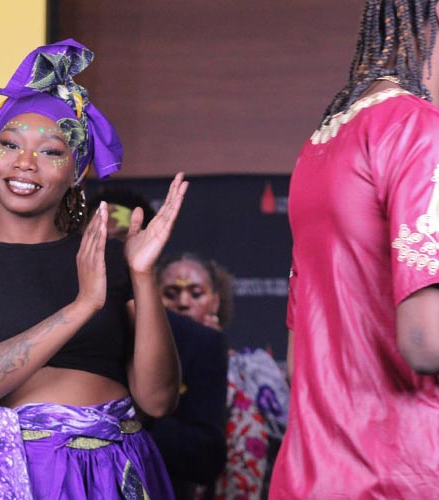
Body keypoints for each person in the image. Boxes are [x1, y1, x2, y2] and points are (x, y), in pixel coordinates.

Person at [0, 39, 186, 499]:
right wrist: (83, 307)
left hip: (109, 473)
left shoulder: (111, 261)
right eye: (10, 143)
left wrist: (141, 275)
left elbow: (159, 400)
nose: (25, 163)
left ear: (77, 170)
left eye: (51, 151)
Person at [271, 2, 439, 498]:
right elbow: (426, 341)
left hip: (314, 473)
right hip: (406, 472)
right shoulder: (418, 129)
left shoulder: (322, 143)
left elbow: (297, 362)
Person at [88, 188, 229, 500]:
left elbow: (207, 457)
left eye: (121, 239)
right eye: (95, 236)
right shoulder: (58, 322)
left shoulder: (196, 340)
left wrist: (133, 417)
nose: (108, 251)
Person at [158, 253, 289, 500]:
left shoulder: (252, 368)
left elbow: (284, 442)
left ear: (215, 302)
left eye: (196, 293)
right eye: (170, 294)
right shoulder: (139, 364)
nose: (183, 303)